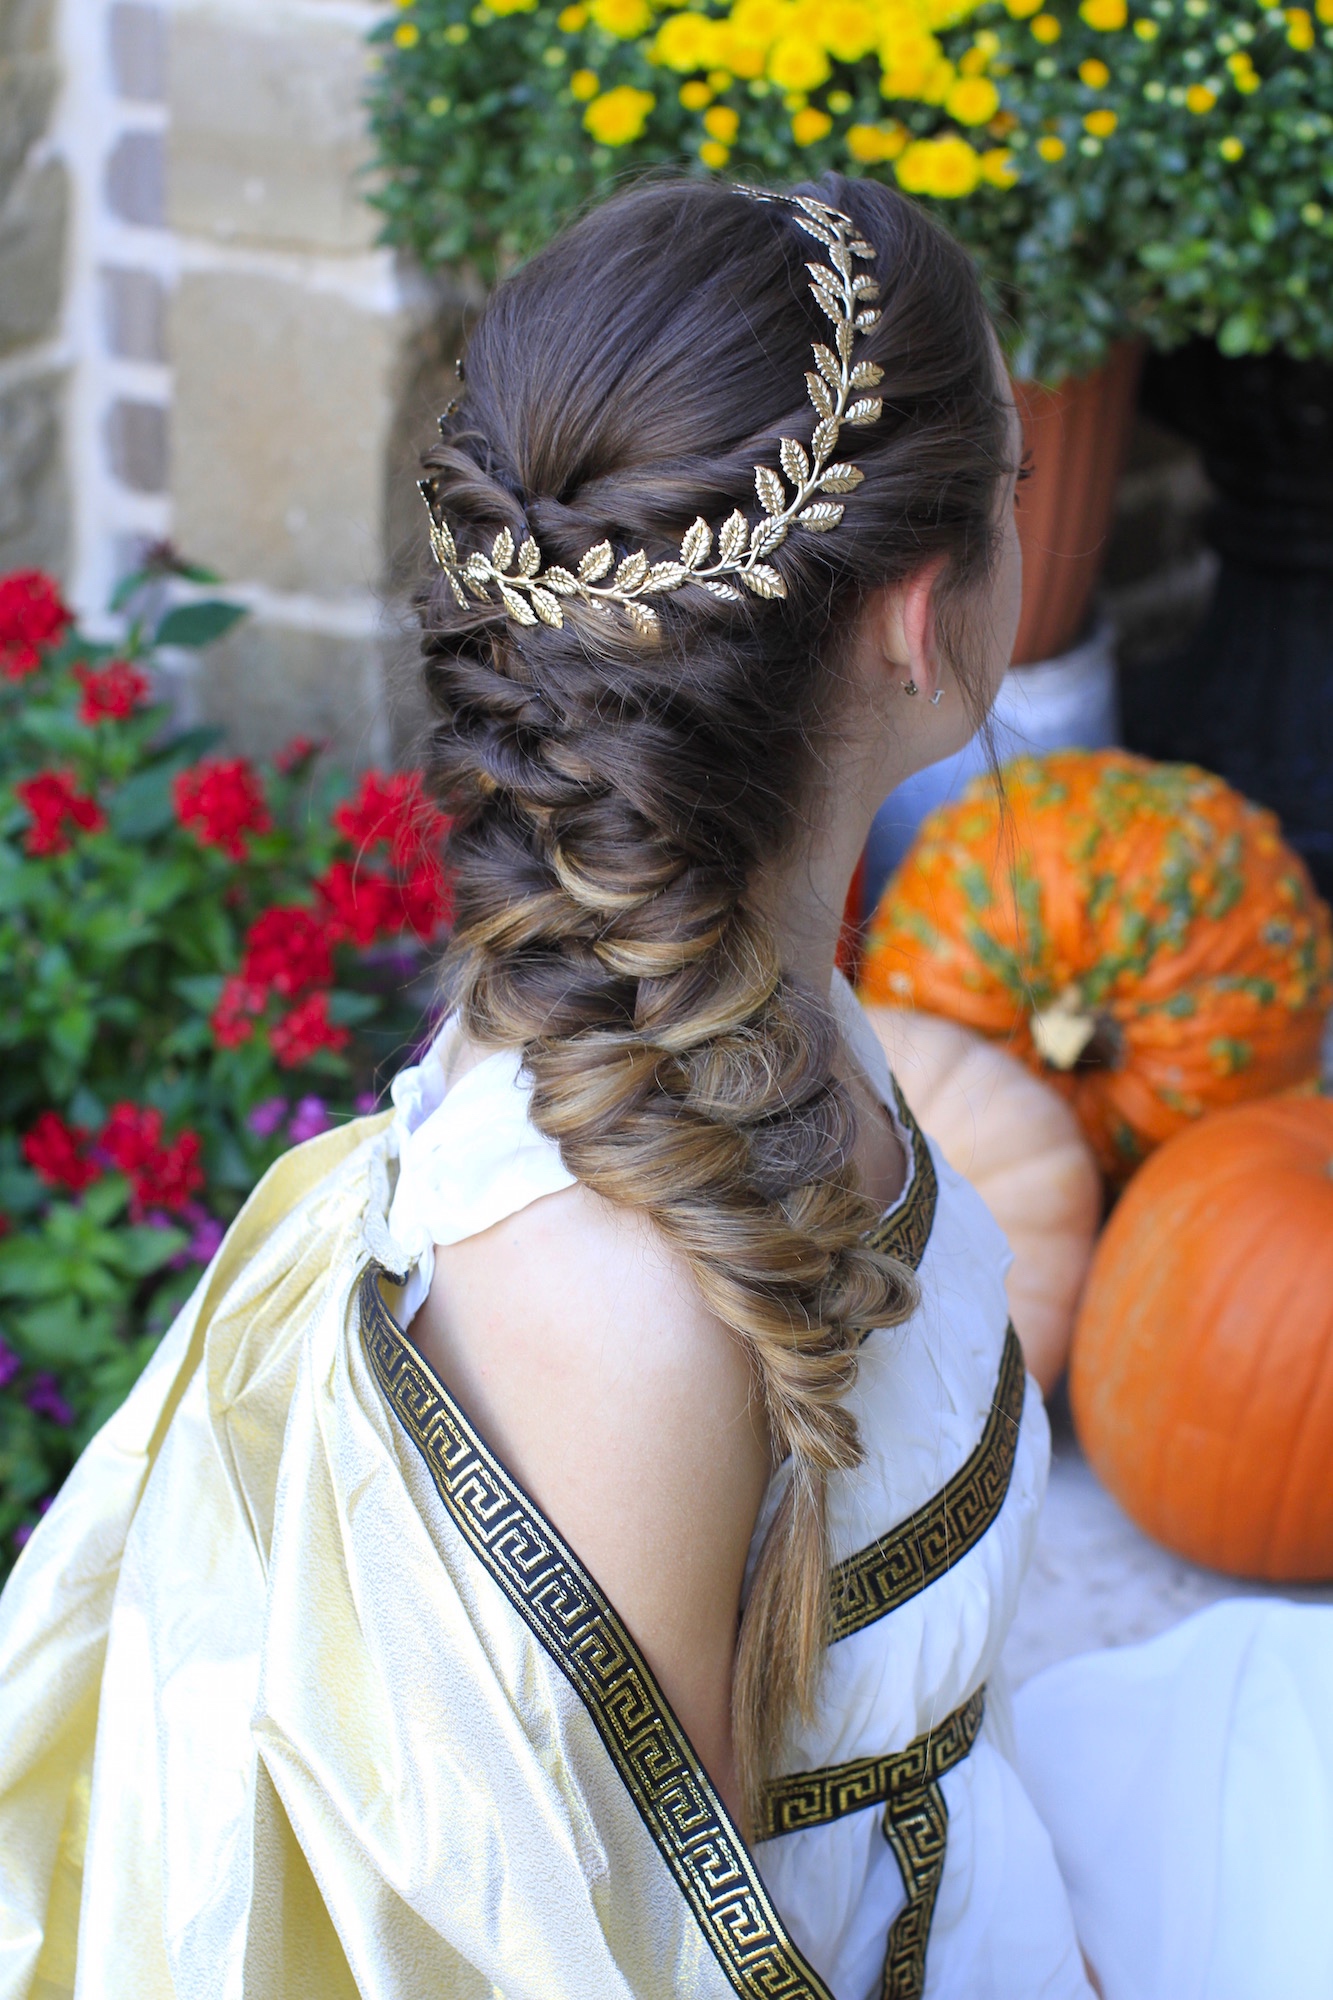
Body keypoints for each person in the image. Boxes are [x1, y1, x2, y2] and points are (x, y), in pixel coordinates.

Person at [1, 175, 1330, 2000]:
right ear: (916, 617)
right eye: (1016, 477)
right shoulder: (620, 1307)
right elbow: (643, 1957)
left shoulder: (732, 1000)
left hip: (962, 1861)